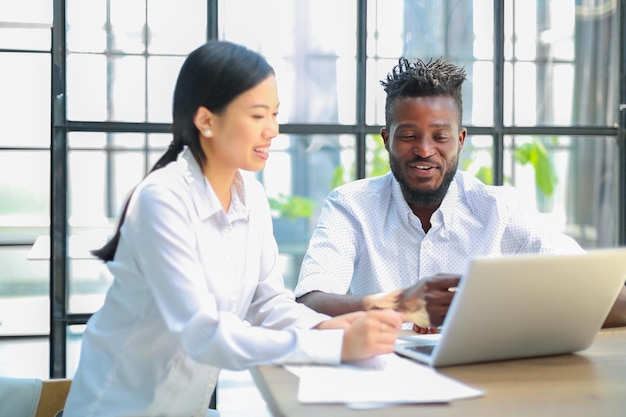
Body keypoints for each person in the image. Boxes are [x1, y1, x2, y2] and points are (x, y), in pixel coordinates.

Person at [62, 40, 403, 417]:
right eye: (258, 116)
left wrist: (326, 329)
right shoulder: (162, 199)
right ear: (206, 120)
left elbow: (266, 302)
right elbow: (201, 333)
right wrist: (336, 348)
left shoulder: (251, 197)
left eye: (275, 114)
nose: (273, 129)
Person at [295, 56, 626, 331]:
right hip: (382, 377)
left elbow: (602, 296)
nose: (425, 151)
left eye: (440, 136)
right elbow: (309, 303)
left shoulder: (501, 209)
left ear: (461, 140)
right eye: (409, 135)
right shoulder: (351, 205)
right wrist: (401, 305)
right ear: (386, 139)